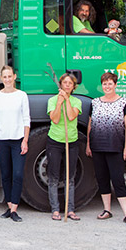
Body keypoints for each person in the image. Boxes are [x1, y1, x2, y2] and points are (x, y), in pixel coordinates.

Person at [86, 72, 126, 225]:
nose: (107, 86)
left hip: (115, 147)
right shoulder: (95, 103)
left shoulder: (124, 103)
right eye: (104, 84)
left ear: (115, 85)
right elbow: (90, 125)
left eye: (110, 83)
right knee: (102, 179)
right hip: (97, 147)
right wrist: (88, 144)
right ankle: (107, 210)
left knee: (117, 179)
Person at [0, 65, 30, 223]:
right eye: (4, 77)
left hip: (18, 139)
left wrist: (25, 140)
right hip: (2, 139)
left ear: (14, 77)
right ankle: (9, 205)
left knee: (18, 174)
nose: (7, 79)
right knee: (5, 174)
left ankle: (14, 208)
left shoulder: (21, 95)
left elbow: (26, 119)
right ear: (1, 78)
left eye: (9, 76)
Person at [46, 72, 82, 221]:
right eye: (65, 83)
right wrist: (59, 103)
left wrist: (67, 100)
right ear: (60, 85)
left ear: (73, 87)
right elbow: (55, 119)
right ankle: (55, 210)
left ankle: (70, 209)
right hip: (55, 141)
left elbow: (71, 116)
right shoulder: (52, 100)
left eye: (70, 83)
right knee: (54, 177)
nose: (67, 85)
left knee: (70, 177)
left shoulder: (76, 101)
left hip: (71, 141)